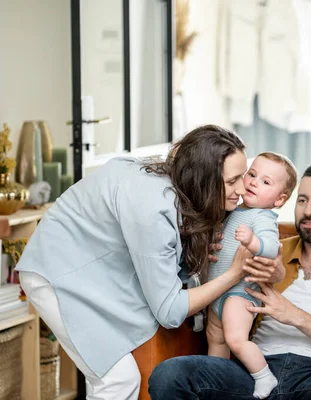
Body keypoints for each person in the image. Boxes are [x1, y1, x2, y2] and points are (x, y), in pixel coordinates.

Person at [16, 125, 285, 400]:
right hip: (56, 270)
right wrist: (231, 274)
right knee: (117, 380)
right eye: (232, 181)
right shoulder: (152, 207)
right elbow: (169, 311)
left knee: (122, 378)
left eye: (244, 175)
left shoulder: (177, 186)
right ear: (203, 177)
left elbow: (170, 261)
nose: (242, 189)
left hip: (95, 267)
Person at [149, 164, 311, 399]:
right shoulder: (268, 249)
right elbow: (222, 285)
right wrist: (210, 258)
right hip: (253, 373)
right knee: (170, 373)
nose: (309, 210)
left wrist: (292, 314)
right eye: (302, 200)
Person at [206, 152, 297, 399]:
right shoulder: (232, 209)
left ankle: (264, 376)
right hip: (216, 293)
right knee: (216, 341)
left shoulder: (263, 218)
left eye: (266, 182)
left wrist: (253, 241)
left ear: (279, 199)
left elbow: (270, 247)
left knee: (235, 339)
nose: (254, 182)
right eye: (252, 174)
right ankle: (217, 384)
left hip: (240, 293)